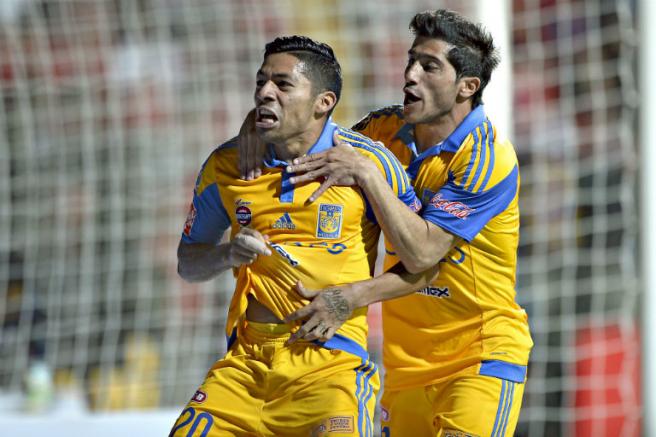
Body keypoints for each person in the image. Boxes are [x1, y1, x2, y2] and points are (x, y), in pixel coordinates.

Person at [240, 10, 533, 437]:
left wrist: (368, 176)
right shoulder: (382, 129)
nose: (410, 74)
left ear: (467, 87)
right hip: (406, 362)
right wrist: (258, 124)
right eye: (411, 60)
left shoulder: (487, 157)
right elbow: (307, 134)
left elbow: (422, 253)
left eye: (429, 66)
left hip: (479, 356)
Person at [170, 35, 432, 437]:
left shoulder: (369, 163)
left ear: (323, 102)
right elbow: (188, 262)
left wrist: (351, 298)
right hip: (246, 364)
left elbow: (426, 262)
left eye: (282, 84)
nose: (264, 93)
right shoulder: (228, 163)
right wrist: (227, 255)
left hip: (330, 369)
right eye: (261, 82)